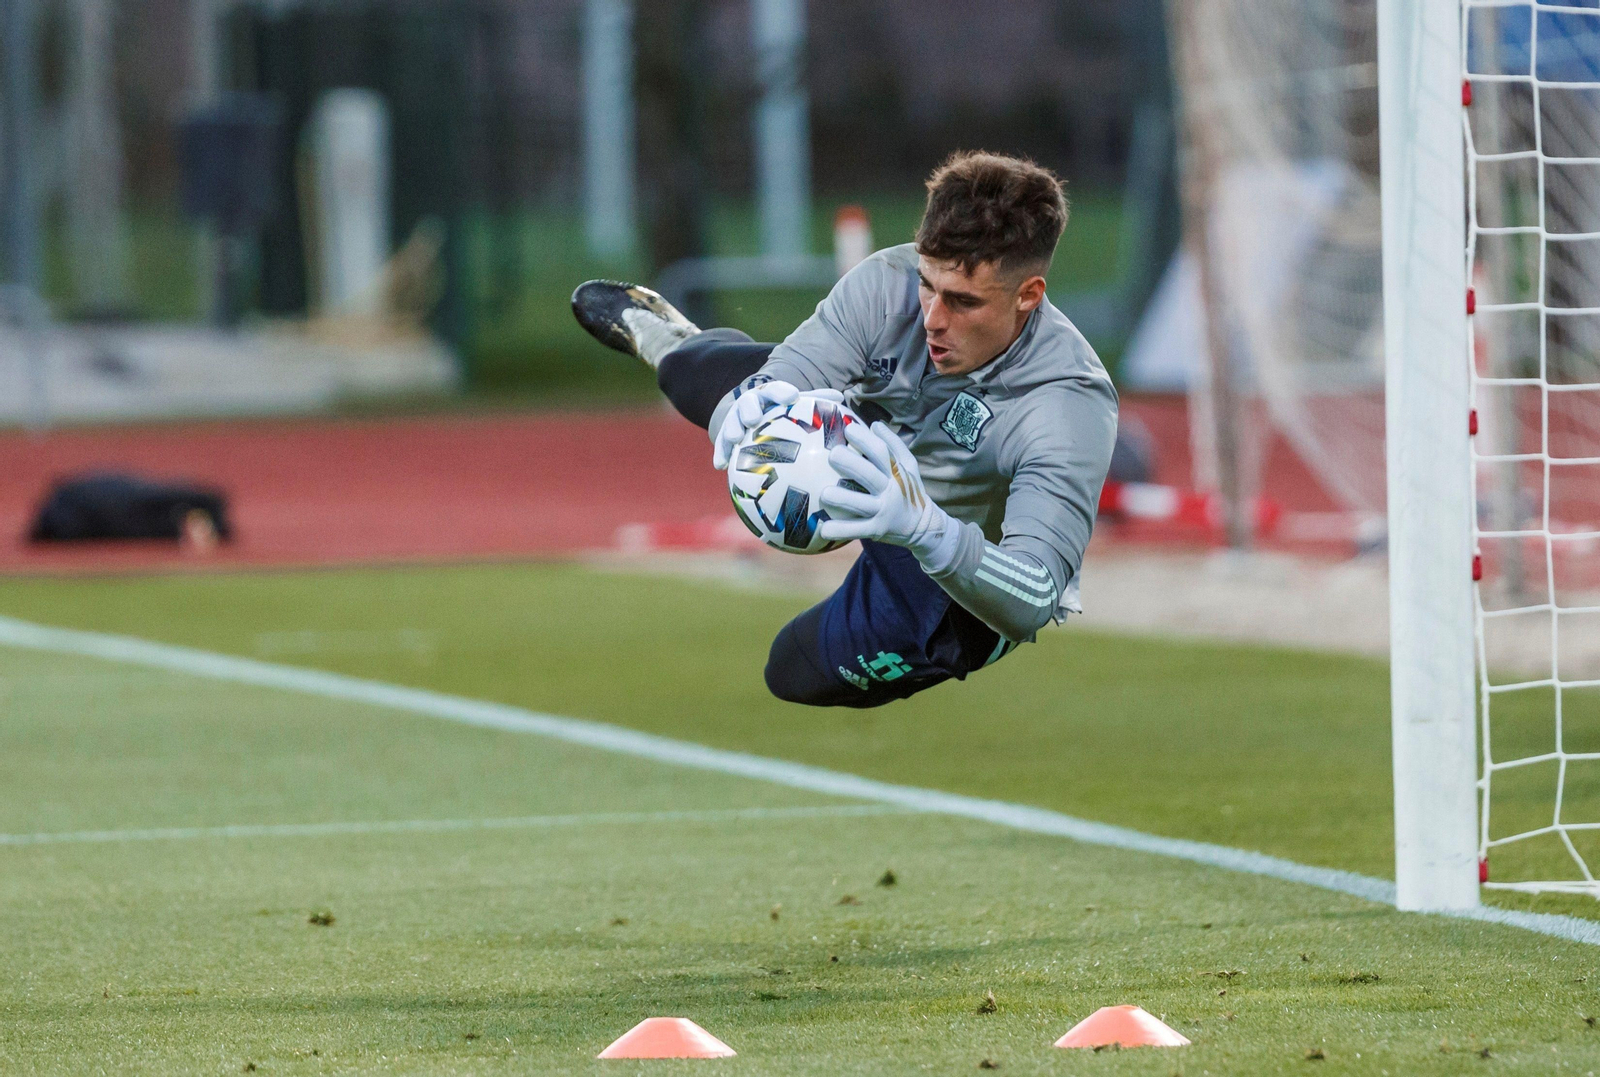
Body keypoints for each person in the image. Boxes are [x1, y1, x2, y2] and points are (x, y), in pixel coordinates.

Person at [572, 150, 1118, 708]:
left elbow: (1035, 592)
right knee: (703, 379)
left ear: (1029, 295)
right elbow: (796, 371)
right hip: (864, 437)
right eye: (929, 284)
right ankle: (674, 343)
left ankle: (922, 635)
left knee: (793, 670)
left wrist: (927, 530)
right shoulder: (887, 282)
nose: (932, 316)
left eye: (963, 301)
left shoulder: (1067, 405)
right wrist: (761, 401)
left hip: (956, 574)